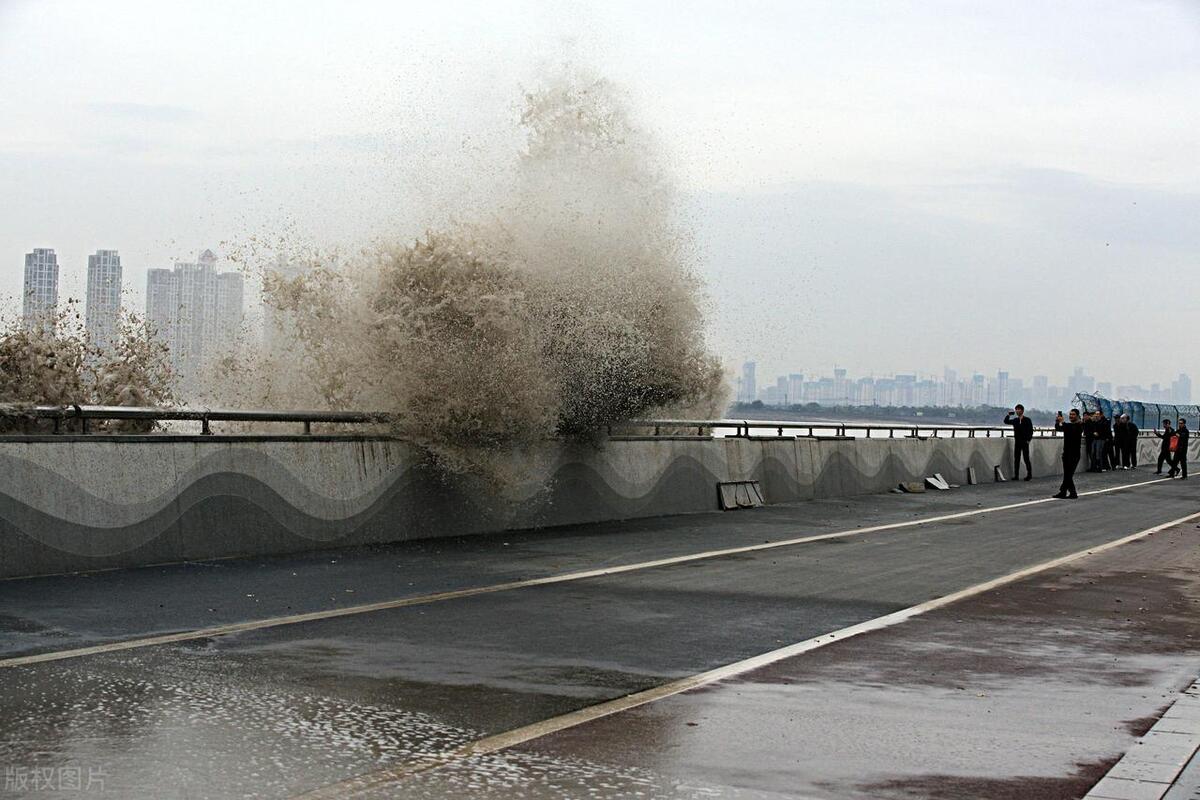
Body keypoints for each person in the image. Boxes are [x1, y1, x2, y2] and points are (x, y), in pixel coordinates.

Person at [1054, 409, 1083, 499]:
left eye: (1073, 414)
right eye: (1070, 414)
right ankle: (1070, 493)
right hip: (1066, 453)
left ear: (1077, 416)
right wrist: (1057, 421)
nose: (1071, 416)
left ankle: (1064, 491)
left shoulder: (1079, 425)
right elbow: (1059, 428)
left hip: (1074, 454)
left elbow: (1072, 431)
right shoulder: (1069, 425)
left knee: (1069, 474)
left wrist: (1063, 422)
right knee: (1067, 474)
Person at [1004, 404, 1034, 480]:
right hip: (1017, 442)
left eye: (1018, 409)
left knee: (1026, 458)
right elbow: (1006, 421)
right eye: (1016, 409)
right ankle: (1016, 475)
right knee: (1016, 459)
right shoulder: (1015, 420)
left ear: (1022, 411)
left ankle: (1029, 475)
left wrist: (1028, 440)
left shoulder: (1027, 420)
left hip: (1025, 442)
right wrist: (1008, 415)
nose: (1017, 411)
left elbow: (1030, 431)